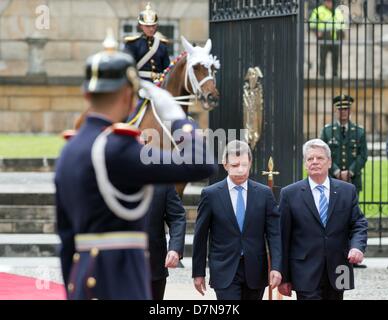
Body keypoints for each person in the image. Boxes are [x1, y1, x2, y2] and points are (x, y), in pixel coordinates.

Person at [55, 35, 217, 300]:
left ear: (86, 94)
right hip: (123, 280)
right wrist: (178, 119)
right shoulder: (123, 150)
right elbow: (201, 163)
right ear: (129, 96)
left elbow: (66, 240)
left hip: (84, 280)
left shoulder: (69, 151)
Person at [278, 139, 368, 300]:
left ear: (329, 162)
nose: (314, 162)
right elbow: (283, 237)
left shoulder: (347, 191)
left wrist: (357, 247)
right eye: (310, 159)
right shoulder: (289, 194)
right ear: (305, 164)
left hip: (339, 269)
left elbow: (358, 223)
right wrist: (284, 277)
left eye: (319, 158)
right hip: (304, 271)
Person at [192, 140, 282, 300]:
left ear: (250, 163)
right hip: (224, 270)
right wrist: (198, 272)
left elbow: (274, 234)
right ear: (225, 165)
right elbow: (201, 235)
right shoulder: (211, 194)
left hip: (255, 270)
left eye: (244, 165)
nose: (240, 170)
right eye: (234, 165)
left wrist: (276, 267)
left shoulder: (264, 194)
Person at [320, 95, 367, 195]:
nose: (343, 111)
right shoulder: (326, 131)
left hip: (353, 179)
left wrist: (350, 172)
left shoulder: (360, 132)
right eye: (340, 109)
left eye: (346, 109)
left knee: (351, 209)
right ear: (335, 111)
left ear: (350, 111)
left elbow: (363, 155)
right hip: (332, 178)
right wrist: (336, 171)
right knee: (333, 209)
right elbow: (322, 154)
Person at [146, 184, 186, 300]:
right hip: (118, 265)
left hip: (154, 265)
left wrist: (175, 249)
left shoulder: (163, 184)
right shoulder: (112, 178)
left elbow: (177, 217)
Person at [124, 3, 170, 81]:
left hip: (159, 84)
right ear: (141, 26)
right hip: (140, 82)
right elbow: (128, 67)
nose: (151, 29)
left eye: (153, 26)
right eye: (147, 26)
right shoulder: (132, 44)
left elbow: (167, 69)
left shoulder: (162, 45)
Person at [309, 0, 345, 77]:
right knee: (323, 58)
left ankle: (335, 76)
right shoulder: (318, 10)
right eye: (328, 1)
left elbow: (342, 24)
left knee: (335, 58)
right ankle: (322, 75)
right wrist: (316, 32)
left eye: (331, 2)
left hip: (335, 37)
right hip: (324, 37)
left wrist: (342, 34)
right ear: (324, 2)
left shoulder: (337, 11)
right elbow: (312, 24)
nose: (329, 3)